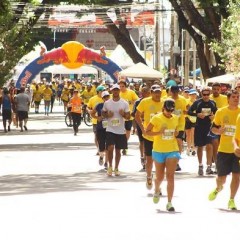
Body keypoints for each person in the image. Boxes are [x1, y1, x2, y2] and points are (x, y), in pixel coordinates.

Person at [146, 99, 181, 212]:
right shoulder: (156, 118)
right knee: (160, 177)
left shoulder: (176, 118)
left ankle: (169, 202)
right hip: (158, 150)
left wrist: (176, 133)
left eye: (171, 110)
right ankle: (157, 189)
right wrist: (159, 133)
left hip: (172, 149)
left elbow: (176, 132)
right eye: (167, 110)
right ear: (163, 108)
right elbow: (147, 132)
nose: (169, 112)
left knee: (170, 176)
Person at [208, 90, 240, 210]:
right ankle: (218, 188)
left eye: (237, 97)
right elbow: (213, 129)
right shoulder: (221, 112)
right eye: (234, 97)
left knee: (237, 176)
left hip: (237, 151)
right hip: (224, 149)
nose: (236, 99)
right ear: (228, 99)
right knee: (222, 178)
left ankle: (231, 200)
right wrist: (218, 131)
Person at [135, 84, 163, 189]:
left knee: (159, 161)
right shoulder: (145, 102)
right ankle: (148, 176)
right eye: (155, 92)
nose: (157, 94)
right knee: (150, 159)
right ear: (151, 93)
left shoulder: (164, 102)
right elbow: (137, 116)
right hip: (149, 136)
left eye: (159, 92)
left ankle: (158, 183)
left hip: (160, 137)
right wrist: (143, 129)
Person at [102, 83, 130, 176]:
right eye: (114, 90)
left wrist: (123, 114)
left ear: (119, 91)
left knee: (118, 150)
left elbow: (128, 117)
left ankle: (116, 167)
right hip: (110, 129)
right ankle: (110, 166)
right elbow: (103, 113)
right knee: (110, 147)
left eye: (117, 90)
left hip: (120, 129)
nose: (115, 91)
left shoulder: (124, 103)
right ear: (111, 91)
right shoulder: (107, 103)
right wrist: (107, 115)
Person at [188, 87, 217, 175]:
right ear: (201, 94)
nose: (206, 96)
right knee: (200, 147)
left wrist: (213, 116)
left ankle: (209, 166)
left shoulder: (212, 103)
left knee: (209, 146)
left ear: (210, 94)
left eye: (208, 94)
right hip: (199, 126)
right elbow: (189, 111)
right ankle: (200, 165)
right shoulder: (197, 102)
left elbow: (217, 113)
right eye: (204, 94)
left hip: (208, 127)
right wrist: (197, 114)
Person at [90, 90, 110, 169]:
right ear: (102, 98)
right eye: (104, 97)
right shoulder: (99, 105)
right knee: (101, 145)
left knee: (108, 146)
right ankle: (101, 156)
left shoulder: (113, 105)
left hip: (110, 128)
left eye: (107, 96)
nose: (106, 98)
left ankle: (106, 162)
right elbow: (92, 113)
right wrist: (97, 117)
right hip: (100, 128)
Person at [132, 86, 151, 170]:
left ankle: (148, 159)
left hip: (150, 125)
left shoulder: (152, 102)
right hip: (141, 124)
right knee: (142, 142)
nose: (143, 93)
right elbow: (134, 114)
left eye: (145, 91)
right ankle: (142, 157)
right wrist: (135, 127)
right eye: (142, 91)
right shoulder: (137, 102)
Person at [119, 80, 139, 155]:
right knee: (120, 131)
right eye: (120, 86)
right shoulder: (117, 93)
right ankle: (121, 144)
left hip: (128, 116)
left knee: (127, 131)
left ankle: (124, 145)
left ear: (126, 86)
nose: (121, 88)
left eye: (123, 86)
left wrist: (130, 102)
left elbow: (137, 100)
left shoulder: (131, 92)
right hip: (119, 116)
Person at [87, 85, 105, 155]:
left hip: (106, 121)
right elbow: (88, 107)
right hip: (96, 121)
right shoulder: (93, 99)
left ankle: (104, 148)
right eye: (102, 91)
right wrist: (89, 111)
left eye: (104, 91)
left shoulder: (107, 98)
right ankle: (99, 148)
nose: (103, 92)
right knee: (97, 136)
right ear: (98, 92)